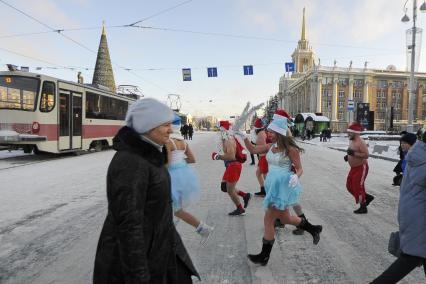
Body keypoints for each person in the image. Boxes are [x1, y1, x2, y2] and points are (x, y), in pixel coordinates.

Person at [93, 98, 199, 283]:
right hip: (138, 260)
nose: (171, 130)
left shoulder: (150, 155)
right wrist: (139, 277)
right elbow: (129, 226)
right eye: (165, 125)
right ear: (147, 126)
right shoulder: (131, 162)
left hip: (158, 248)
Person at [237, 115, 323, 266]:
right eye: (268, 131)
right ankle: (313, 229)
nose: (268, 134)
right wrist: (244, 137)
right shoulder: (271, 146)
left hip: (282, 187)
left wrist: (296, 176)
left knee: (268, 220)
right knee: (285, 219)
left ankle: (264, 256)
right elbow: (252, 148)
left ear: (280, 133)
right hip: (272, 185)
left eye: (271, 132)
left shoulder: (291, 149)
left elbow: (300, 168)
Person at [371, 131, 426, 283]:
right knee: (409, 259)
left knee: (410, 258)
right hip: (421, 224)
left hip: (414, 218)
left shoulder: (418, 155)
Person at [166, 114, 214, 244]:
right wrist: (180, 162)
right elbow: (192, 159)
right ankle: (201, 228)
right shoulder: (183, 142)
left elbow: (167, 164)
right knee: (176, 210)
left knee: (175, 210)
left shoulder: (168, 142)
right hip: (183, 176)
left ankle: (202, 228)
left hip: (171, 179)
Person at [211, 120, 251, 216]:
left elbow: (231, 156)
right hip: (230, 166)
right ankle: (245, 195)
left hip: (234, 166)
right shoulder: (226, 138)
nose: (218, 132)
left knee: (230, 190)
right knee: (224, 187)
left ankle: (240, 209)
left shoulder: (228, 140)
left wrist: (217, 156)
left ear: (223, 130)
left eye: (219, 130)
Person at [344, 122, 374, 214]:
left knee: (358, 187)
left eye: (350, 132)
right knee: (349, 186)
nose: (348, 134)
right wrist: (348, 156)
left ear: (356, 133)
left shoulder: (360, 142)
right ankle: (366, 197)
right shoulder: (352, 140)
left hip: (361, 167)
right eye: (348, 132)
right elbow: (352, 151)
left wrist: (353, 154)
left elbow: (366, 155)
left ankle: (363, 207)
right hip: (353, 168)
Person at [253, 118, 268, 197]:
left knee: (265, 175)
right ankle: (263, 189)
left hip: (264, 157)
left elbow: (261, 147)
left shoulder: (261, 134)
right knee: (258, 173)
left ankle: (269, 191)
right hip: (262, 157)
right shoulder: (262, 133)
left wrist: (252, 146)